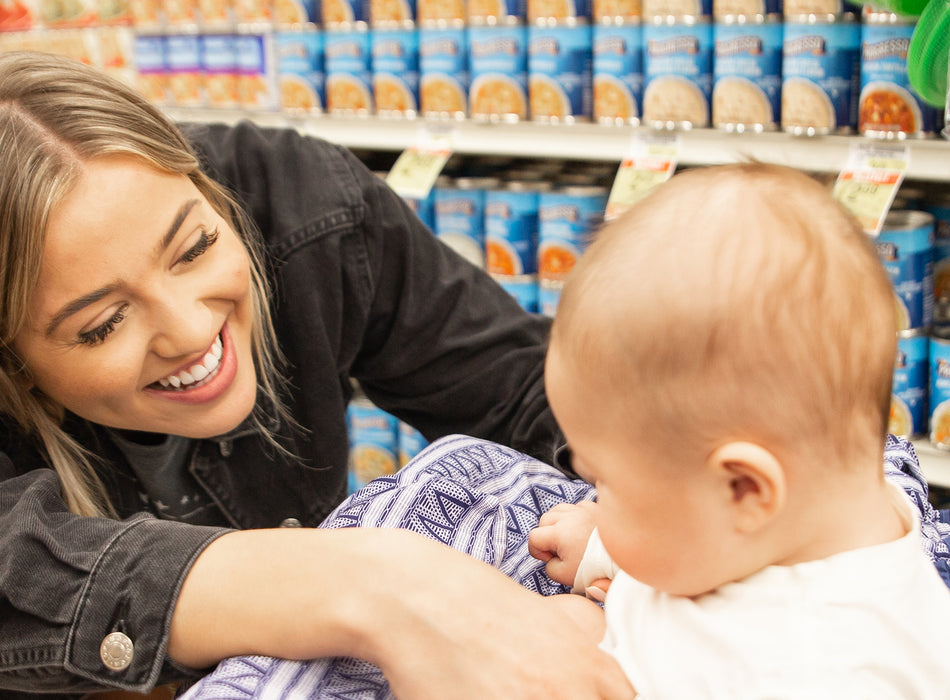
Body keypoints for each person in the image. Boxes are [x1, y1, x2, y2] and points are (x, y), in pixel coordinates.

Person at [0, 50, 637, 700]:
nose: (191, 331)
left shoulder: (300, 202)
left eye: (194, 248)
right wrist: (369, 584)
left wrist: (652, 517)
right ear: (13, 362)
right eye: (103, 324)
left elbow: (525, 389)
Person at [527, 162, 950, 696]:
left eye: (607, 485)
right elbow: (710, 536)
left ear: (744, 487)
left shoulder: (820, 670)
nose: (594, 498)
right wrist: (604, 551)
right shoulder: (813, 518)